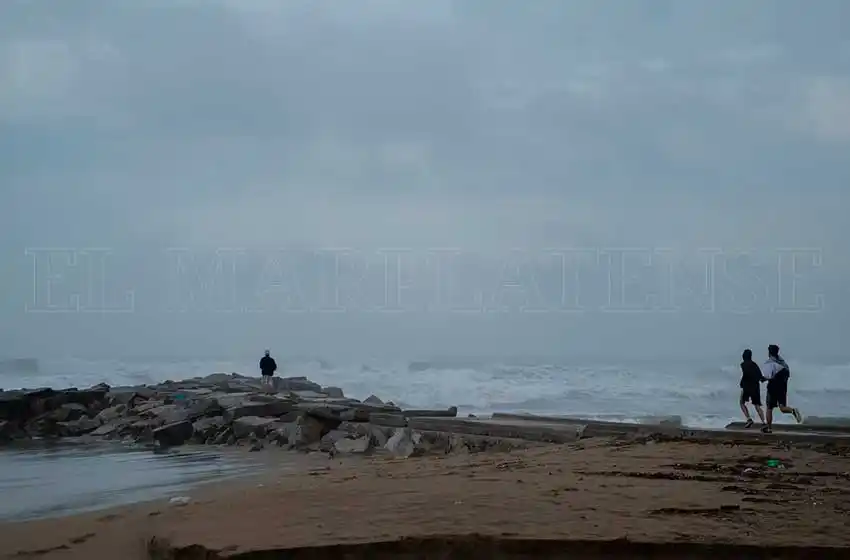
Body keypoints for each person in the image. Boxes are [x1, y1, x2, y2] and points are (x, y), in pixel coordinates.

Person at [760, 344, 802, 433]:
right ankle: (793, 410)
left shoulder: (770, 363)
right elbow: (787, 374)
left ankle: (769, 428)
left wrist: (763, 379)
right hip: (782, 387)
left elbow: (768, 376)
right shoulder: (782, 362)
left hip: (772, 387)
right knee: (782, 408)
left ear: (769, 352)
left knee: (769, 407)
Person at [739, 348, 765, 428]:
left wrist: (742, 383)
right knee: (757, 405)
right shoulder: (754, 364)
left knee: (741, 402)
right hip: (755, 386)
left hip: (747, 386)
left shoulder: (743, 364)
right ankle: (764, 422)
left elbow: (745, 375)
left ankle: (749, 419)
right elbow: (760, 377)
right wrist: (765, 378)